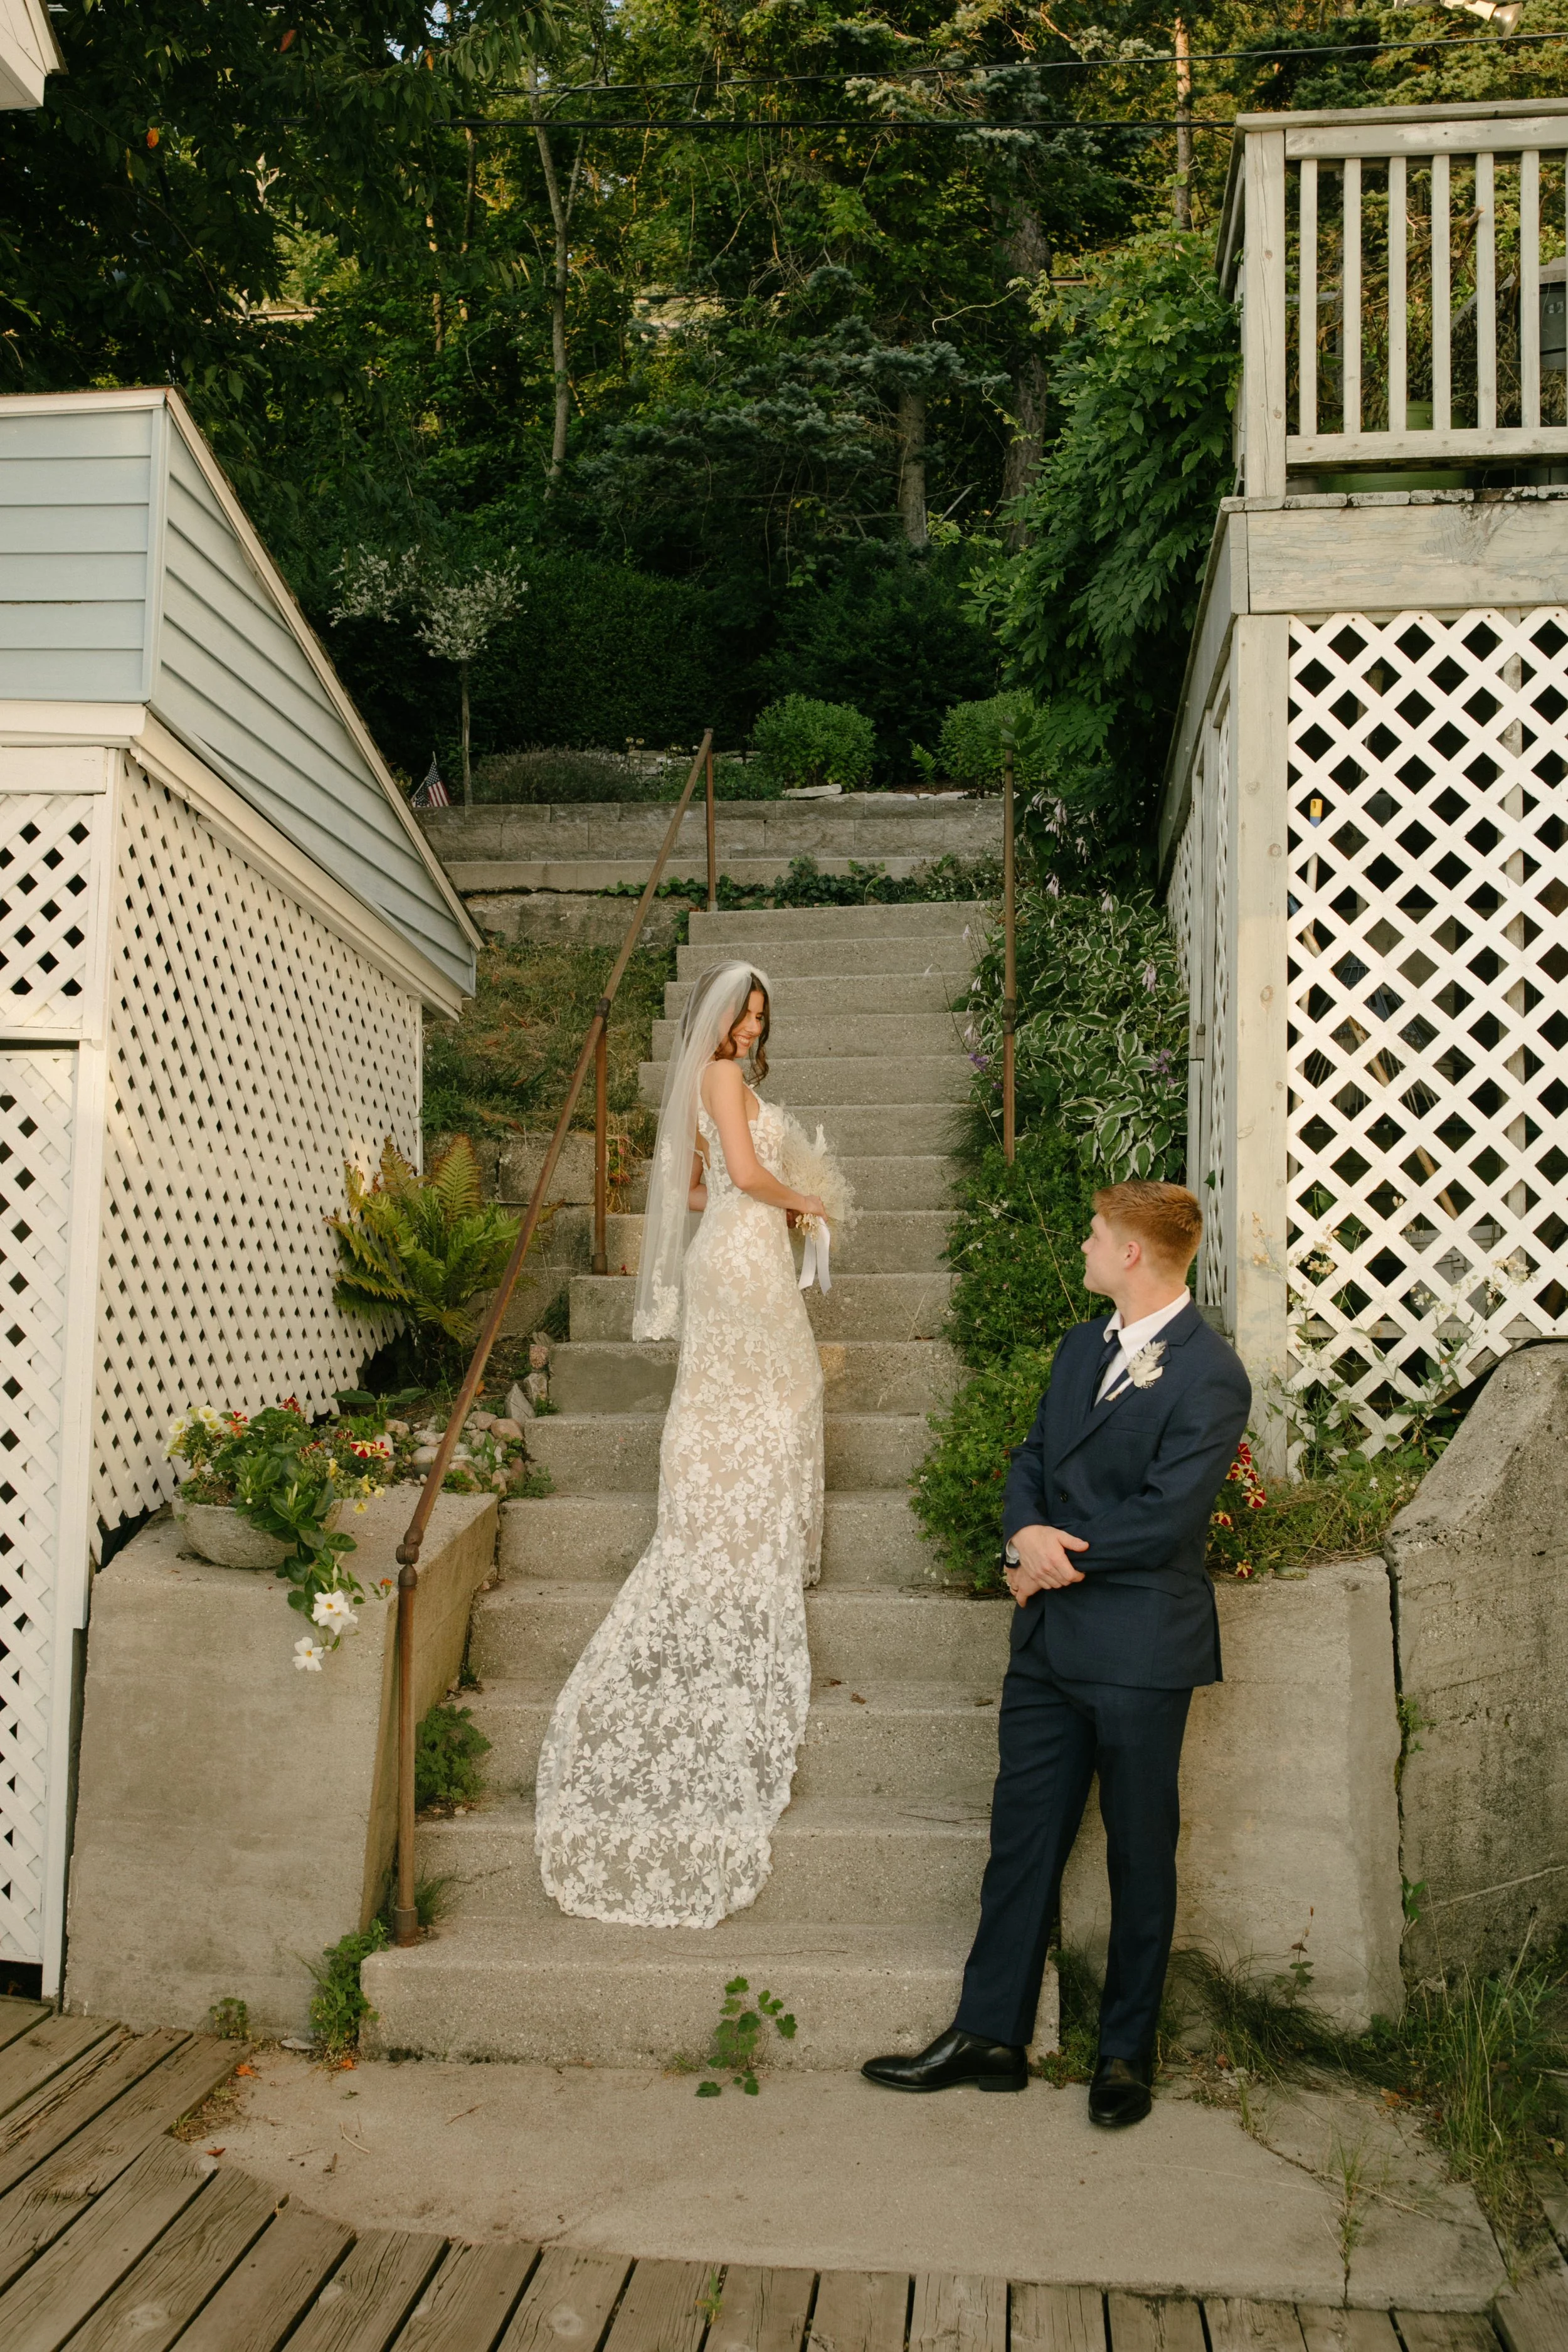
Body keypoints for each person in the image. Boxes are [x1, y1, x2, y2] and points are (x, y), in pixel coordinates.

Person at [861, 1179, 1251, 2126]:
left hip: (1139, 1650)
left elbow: (1166, 1517)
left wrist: (1048, 1559)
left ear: (1132, 1254)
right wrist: (1019, 1537)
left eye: (1095, 1233)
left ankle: (1126, 2052)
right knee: (1021, 1839)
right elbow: (1032, 1456)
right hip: (1046, 1648)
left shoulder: (1212, 1375)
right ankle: (989, 2033)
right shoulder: (1083, 1346)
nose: (1083, 1242)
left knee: (1139, 1853)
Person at [534, 962, 829, 1929]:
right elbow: (741, 1177)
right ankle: (735, 1542)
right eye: (741, 1012)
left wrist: (760, 1205)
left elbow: (699, 1185)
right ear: (715, 1013)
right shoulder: (720, 1078)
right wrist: (801, 1202)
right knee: (771, 1393)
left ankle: (742, 1532)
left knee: (750, 1396)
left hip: (734, 1251)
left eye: (759, 1015)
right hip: (747, 1262)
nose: (749, 1027)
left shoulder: (722, 1088)